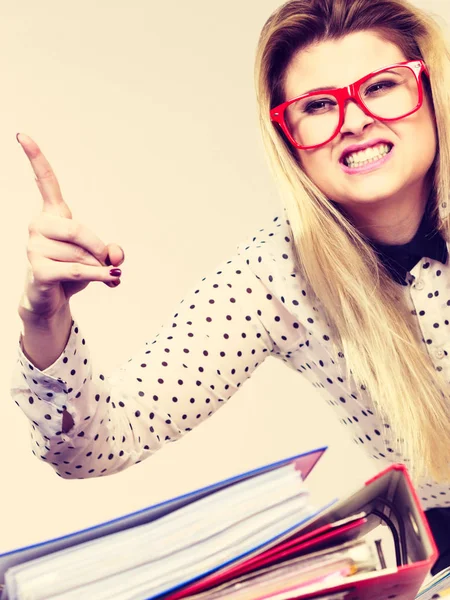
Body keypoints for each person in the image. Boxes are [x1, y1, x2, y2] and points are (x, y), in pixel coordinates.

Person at [10, 0, 450, 576]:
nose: (356, 119)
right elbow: (100, 442)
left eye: (383, 86)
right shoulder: (273, 277)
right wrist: (44, 322)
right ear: (289, 137)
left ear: (432, 90)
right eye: (318, 105)